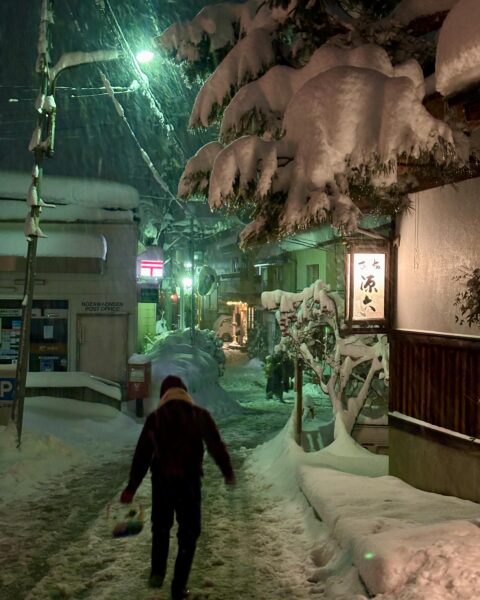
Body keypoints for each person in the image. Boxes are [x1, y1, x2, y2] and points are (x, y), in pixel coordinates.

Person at [120, 375, 235, 600]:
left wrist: (131, 488)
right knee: (189, 533)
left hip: (162, 483)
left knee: (161, 527)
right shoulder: (199, 416)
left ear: (164, 394)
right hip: (189, 484)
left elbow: (142, 456)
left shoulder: (155, 418)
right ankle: (178, 586)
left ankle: (157, 571)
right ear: (184, 391)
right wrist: (227, 471)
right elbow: (216, 446)